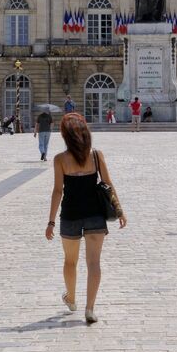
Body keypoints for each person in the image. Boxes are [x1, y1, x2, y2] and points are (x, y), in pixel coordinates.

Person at [45, 112, 126, 324]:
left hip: (70, 215)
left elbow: (57, 191)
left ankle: (71, 299)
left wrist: (51, 221)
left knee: (70, 261)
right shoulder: (96, 156)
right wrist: (120, 211)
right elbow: (108, 184)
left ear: (66, 135)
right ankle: (90, 309)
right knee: (94, 263)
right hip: (95, 214)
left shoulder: (60, 159)